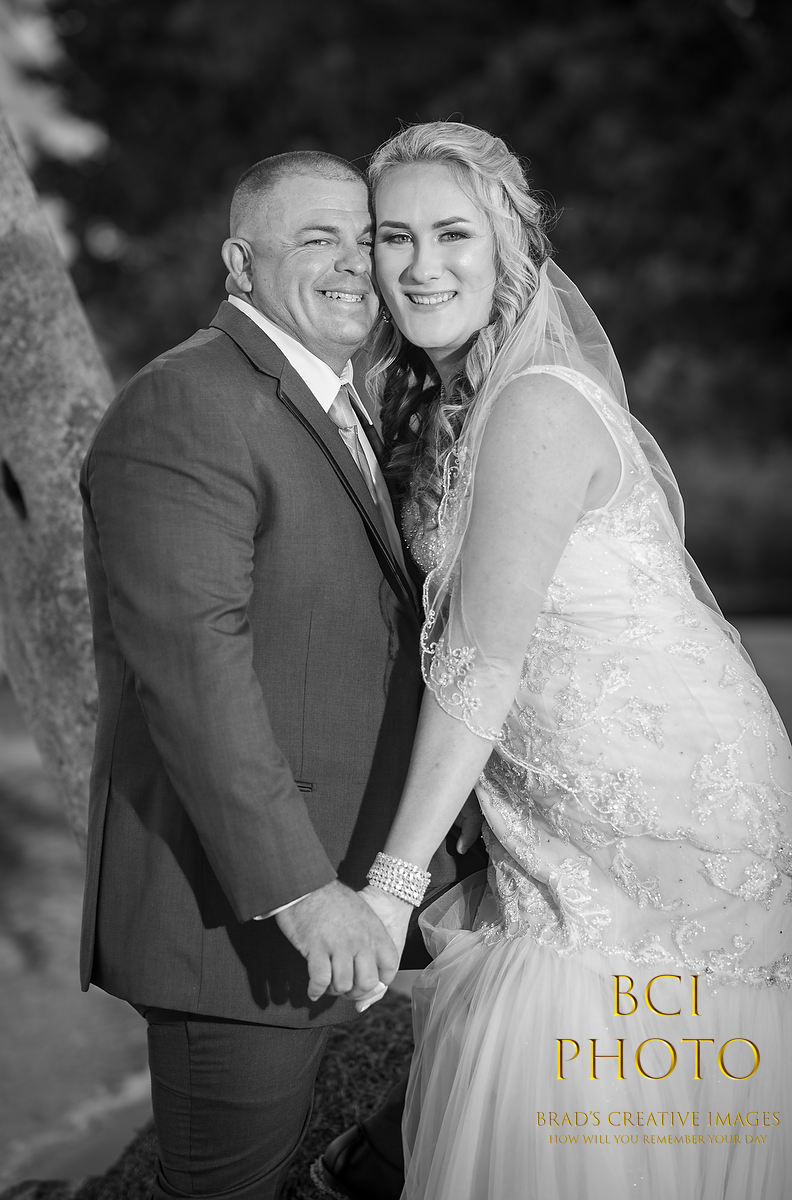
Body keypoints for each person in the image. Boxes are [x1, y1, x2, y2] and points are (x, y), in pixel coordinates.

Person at [331, 121, 792, 1200]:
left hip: (661, 806)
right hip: (553, 800)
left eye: (452, 233)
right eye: (394, 237)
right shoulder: (448, 405)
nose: (421, 266)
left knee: (593, 1053)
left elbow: (481, 661)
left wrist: (392, 887)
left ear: (508, 247)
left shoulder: (535, 403)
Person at [79, 149, 482, 1200]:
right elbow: (193, 677)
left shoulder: (346, 401)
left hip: (365, 875)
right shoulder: (186, 403)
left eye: (366, 238)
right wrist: (301, 895)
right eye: (317, 239)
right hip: (242, 920)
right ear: (238, 263)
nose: (356, 264)